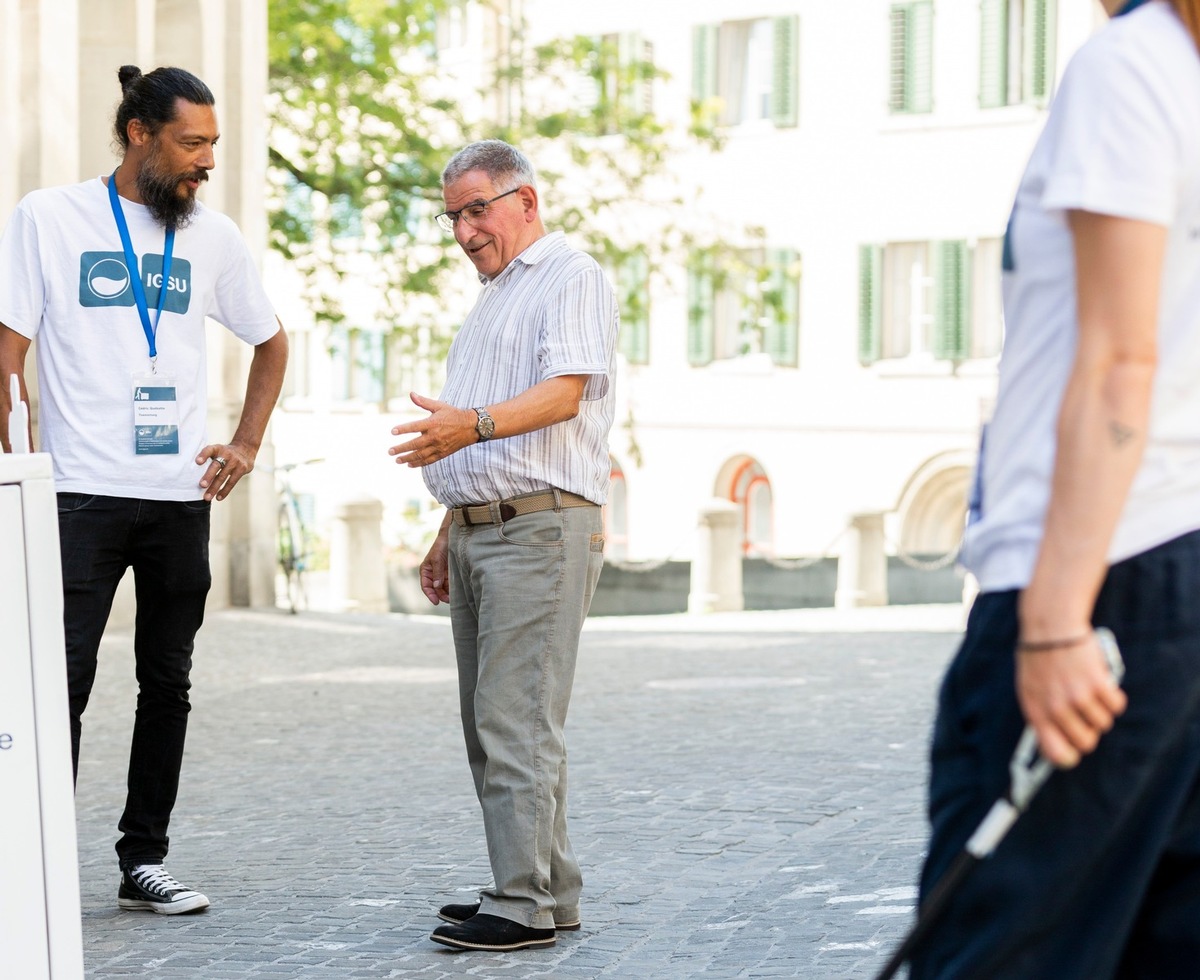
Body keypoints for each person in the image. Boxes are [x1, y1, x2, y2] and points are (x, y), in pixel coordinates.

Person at [910, 0, 1200, 976]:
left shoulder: (1134, 66)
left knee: (996, 946)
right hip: (1176, 562)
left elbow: (1121, 359)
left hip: (1104, 574)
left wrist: (1055, 623)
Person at [0, 65, 288, 915]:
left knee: (168, 680)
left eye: (211, 146)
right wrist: (15, 470)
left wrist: (244, 443)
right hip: (77, 494)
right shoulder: (50, 218)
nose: (204, 163)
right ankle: (34, 859)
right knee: (61, 679)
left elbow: (272, 342)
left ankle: (144, 861)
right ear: (138, 134)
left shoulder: (213, 236)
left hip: (176, 498)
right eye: (190, 144)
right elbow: (6, 352)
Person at [388, 139, 618, 952]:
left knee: (514, 720)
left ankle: (520, 905)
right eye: (453, 215)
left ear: (527, 200)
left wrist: (469, 424)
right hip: (490, 530)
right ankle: (547, 890)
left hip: (540, 530)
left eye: (478, 208)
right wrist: (447, 528)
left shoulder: (570, 276)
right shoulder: (492, 298)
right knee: (497, 722)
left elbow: (564, 394)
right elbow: (481, 444)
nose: (463, 230)